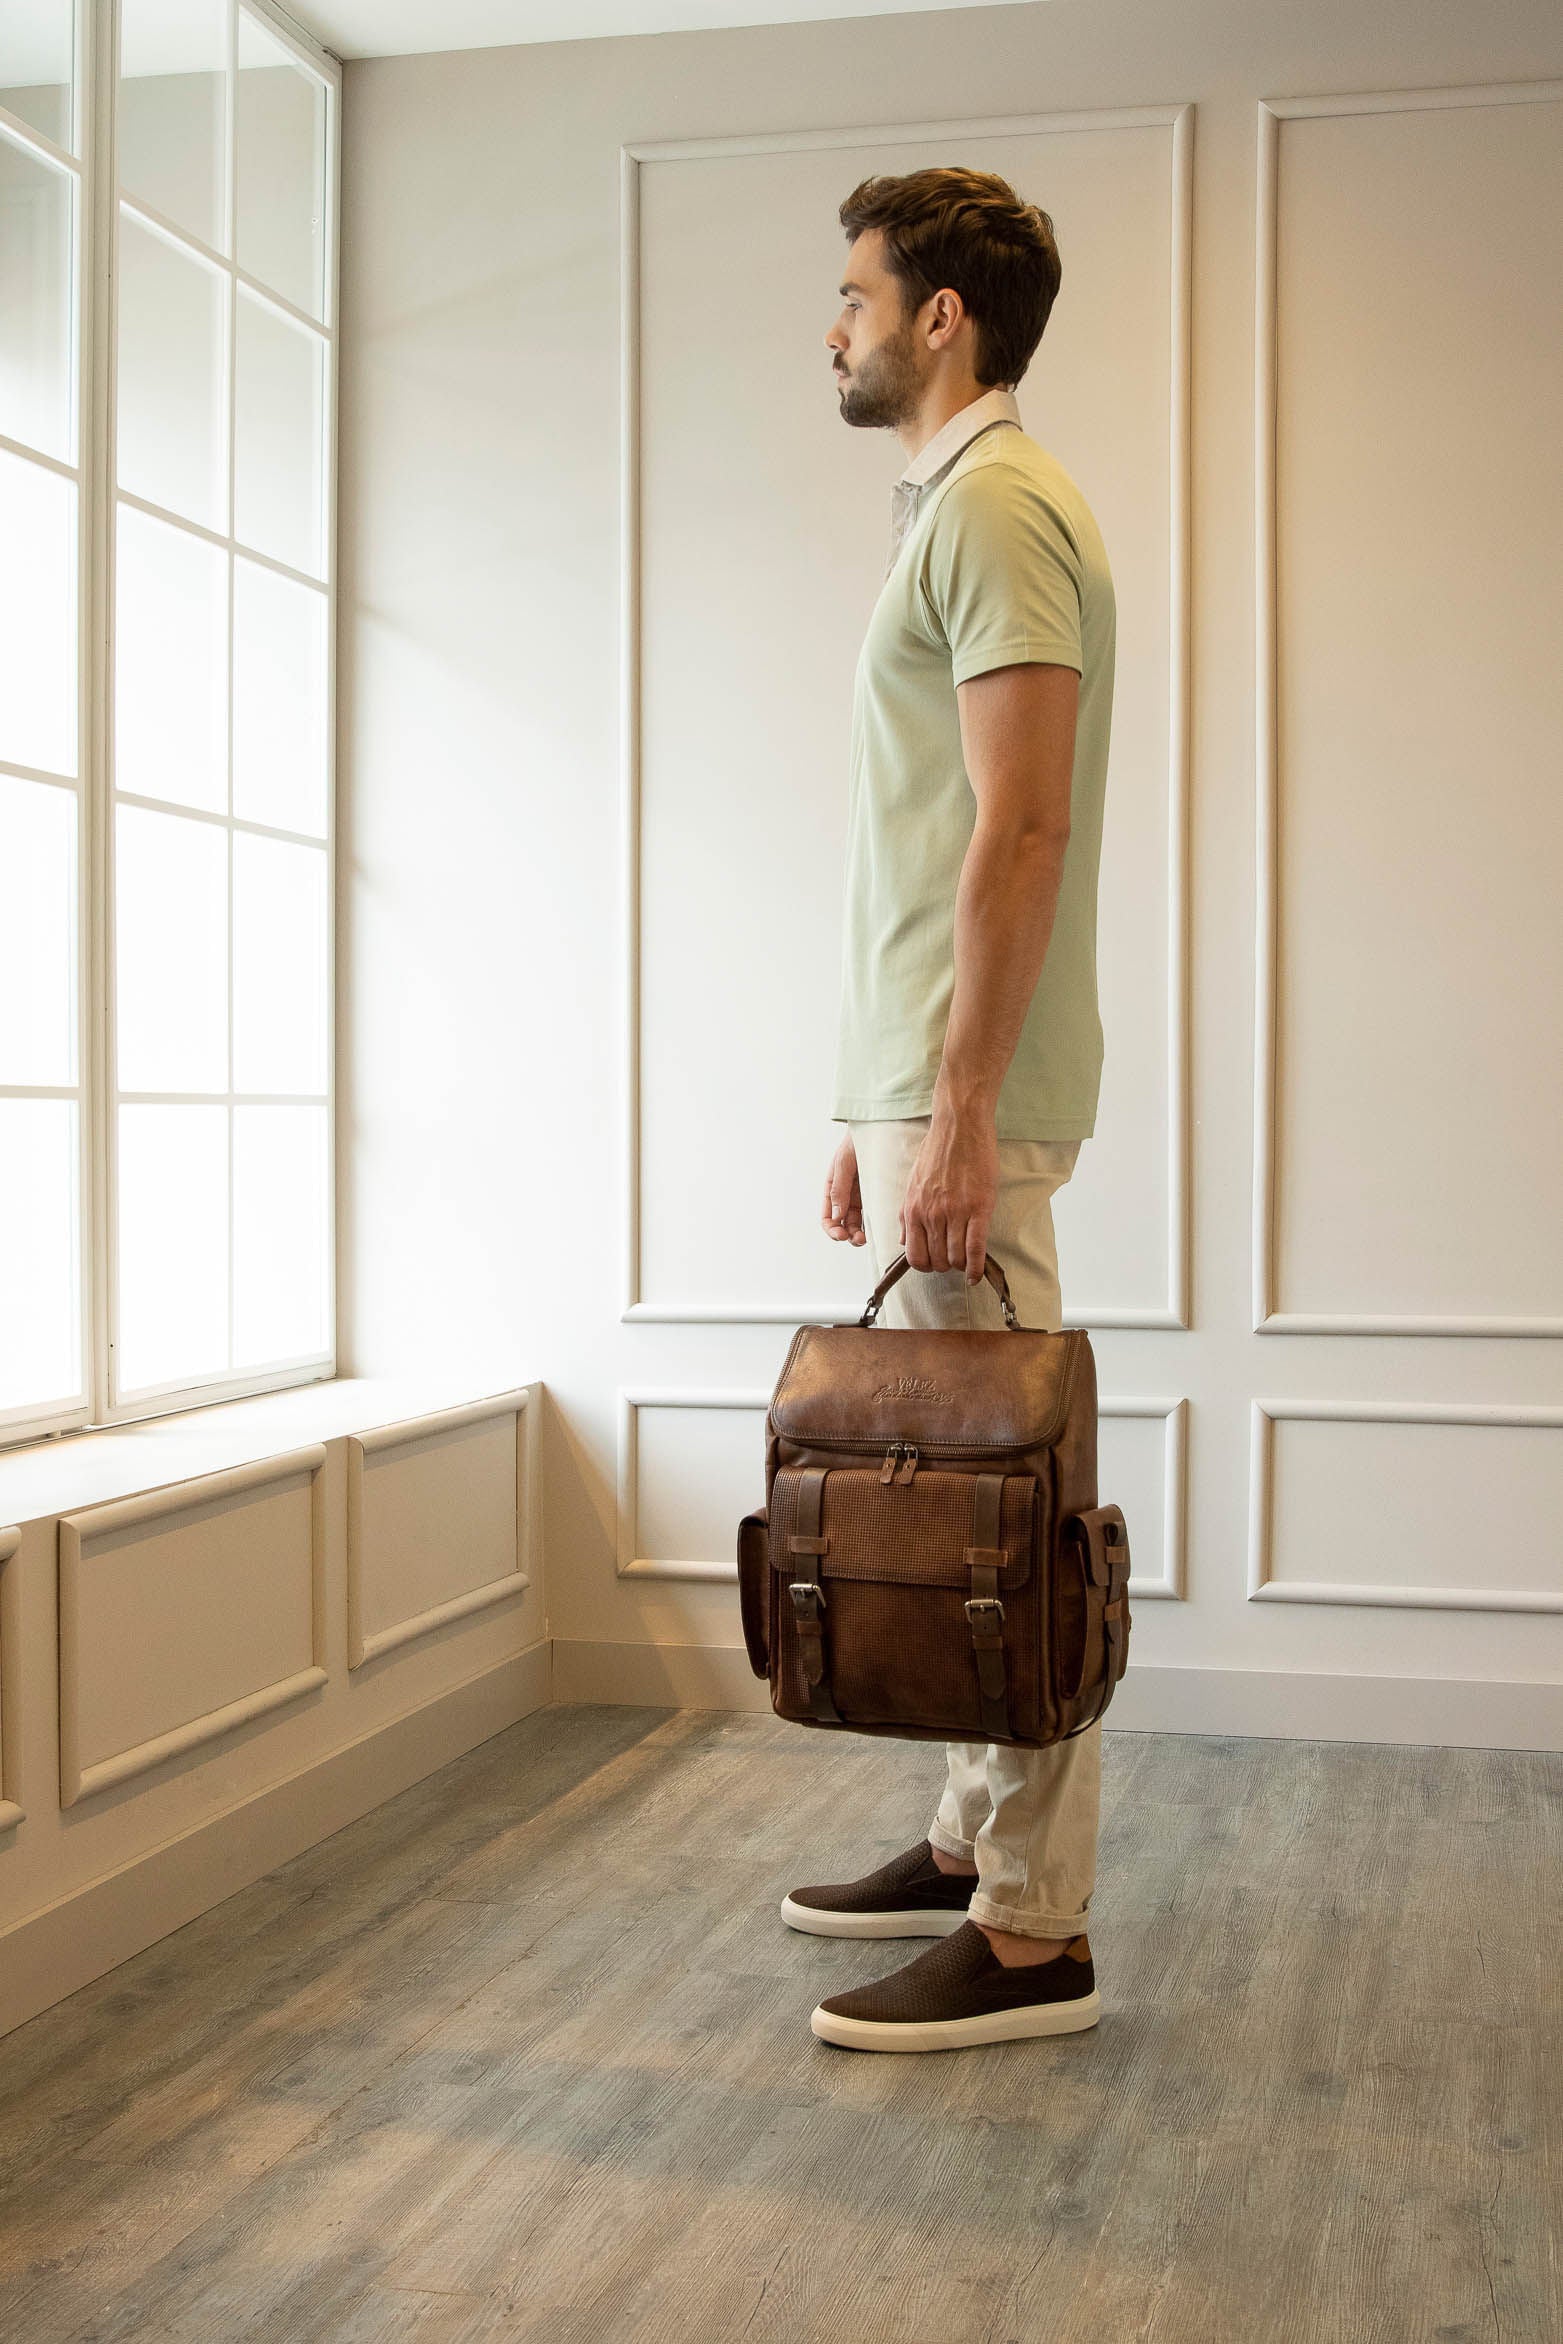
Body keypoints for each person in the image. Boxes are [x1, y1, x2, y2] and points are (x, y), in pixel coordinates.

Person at [784, 166, 1118, 2053]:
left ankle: (1033, 1934)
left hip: (960, 1093)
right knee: (970, 1483)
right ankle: (968, 1836)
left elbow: (1023, 824)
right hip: (923, 1085)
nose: (832, 324)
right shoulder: (960, 505)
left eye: (853, 294)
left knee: (1003, 1504)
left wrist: (962, 1107)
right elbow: (922, 846)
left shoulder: (995, 505)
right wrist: (880, 1101)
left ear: (941, 318)